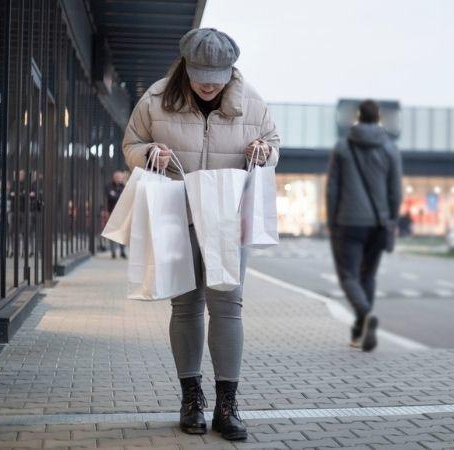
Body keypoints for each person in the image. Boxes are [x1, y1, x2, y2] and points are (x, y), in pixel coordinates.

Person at [122, 28, 279, 441]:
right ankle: (191, 398)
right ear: (185, 68)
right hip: (176, 213)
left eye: (219, 74)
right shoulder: (156, 100)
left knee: (228, 304)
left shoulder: (253, 104)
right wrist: (147, 153)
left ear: (232, 70)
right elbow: (131, 143)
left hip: (227, 219)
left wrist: (264, 151)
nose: (210, 83)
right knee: (185, 305)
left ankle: (228, 405)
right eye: (201, 74)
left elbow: (275, 144)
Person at [326, 99, 402, 352]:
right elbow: (396, 191)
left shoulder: (343, 147)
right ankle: (360, 329)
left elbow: (332, 189)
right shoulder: (390, 149)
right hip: (379, 224)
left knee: (348, 275)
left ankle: (364, 315)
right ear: (378, 117)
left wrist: (332, 219)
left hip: (348, 222)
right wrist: (391, 220)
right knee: (367, 275)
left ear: (359, 116)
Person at [106, 171, 127, 259]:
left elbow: (125, 197)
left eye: (120, 177)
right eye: (117, 177)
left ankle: (122, 251)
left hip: (122, 213)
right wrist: (119, 196)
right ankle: (113, 252)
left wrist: (116, 195)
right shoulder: (109, 186)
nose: (119, 179)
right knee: (112, 233)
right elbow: (111, 197)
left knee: (123, 232)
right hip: (112, 212)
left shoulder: (125, 187)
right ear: (114, 178)